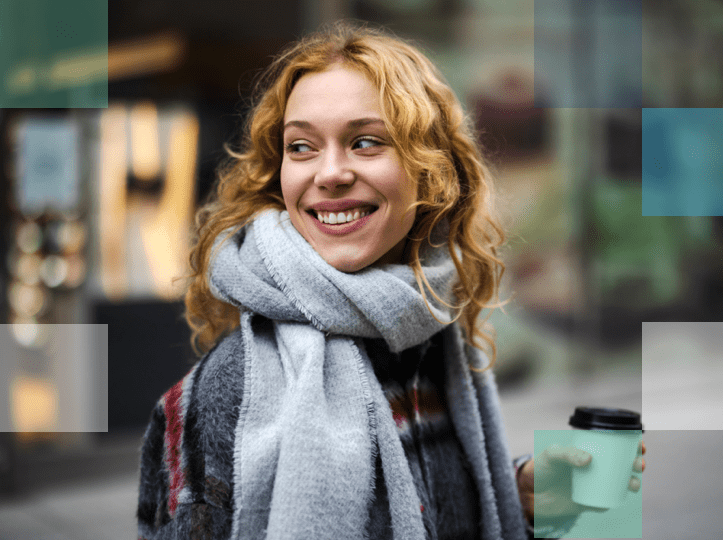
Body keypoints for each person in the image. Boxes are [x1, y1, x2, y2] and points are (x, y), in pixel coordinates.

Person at [136, 20, 645, 540]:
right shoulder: (226, 393)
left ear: (431, 170)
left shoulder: (433, 338)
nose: (329, 172)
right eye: (302, 147)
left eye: (364, 142)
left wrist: (515, 496)